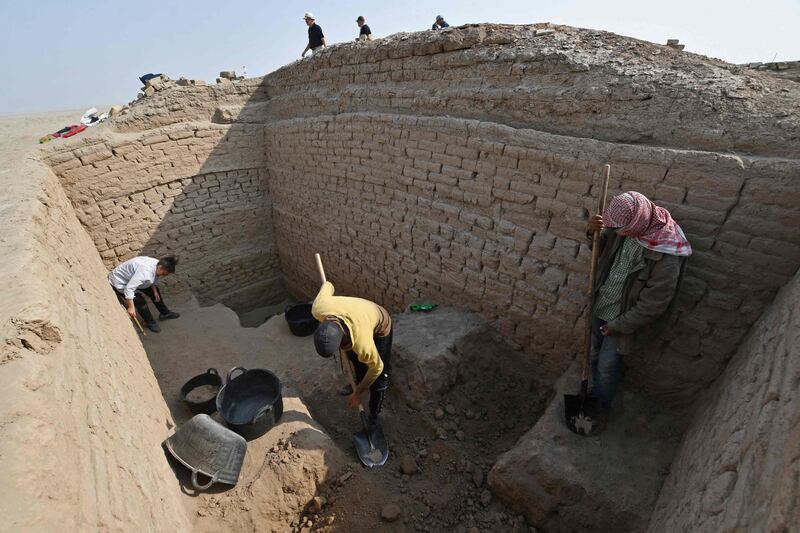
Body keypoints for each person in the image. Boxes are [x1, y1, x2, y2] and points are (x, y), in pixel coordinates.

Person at [586, 191, 691, 414]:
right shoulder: (628, 228)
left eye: (618, 230)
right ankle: (590, 391)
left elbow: (653, 304)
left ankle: (600, 407)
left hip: (623, 318)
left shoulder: (666, 254)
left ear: (635, 223)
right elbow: (600, 248)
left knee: (607, 365)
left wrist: (617, 326)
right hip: (602, 303)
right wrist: (593, 232)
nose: (615, 233)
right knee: (593, 352)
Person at [311, 281, 392, 428]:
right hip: (356, 316)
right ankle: (358, 383)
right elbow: (328, 285)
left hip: (379, 321)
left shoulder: (362, 343)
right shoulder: (318, 309)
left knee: (379, 379)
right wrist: (358, 387)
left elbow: (377, 367)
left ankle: (374, 415)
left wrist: (358, 393)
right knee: (356, 361)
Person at [108, 255, 180, 333]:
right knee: (140, 301)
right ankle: (150, 322)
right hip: (120, 282)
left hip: (132, 278)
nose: (163, 276)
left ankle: (165, 313)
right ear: (160, 268)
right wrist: (131, 307)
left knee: (155, 292)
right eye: (164, 274)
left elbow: (153, 278)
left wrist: (155, 292)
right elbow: (129, 289)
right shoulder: (145, 273)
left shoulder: (157, 264)